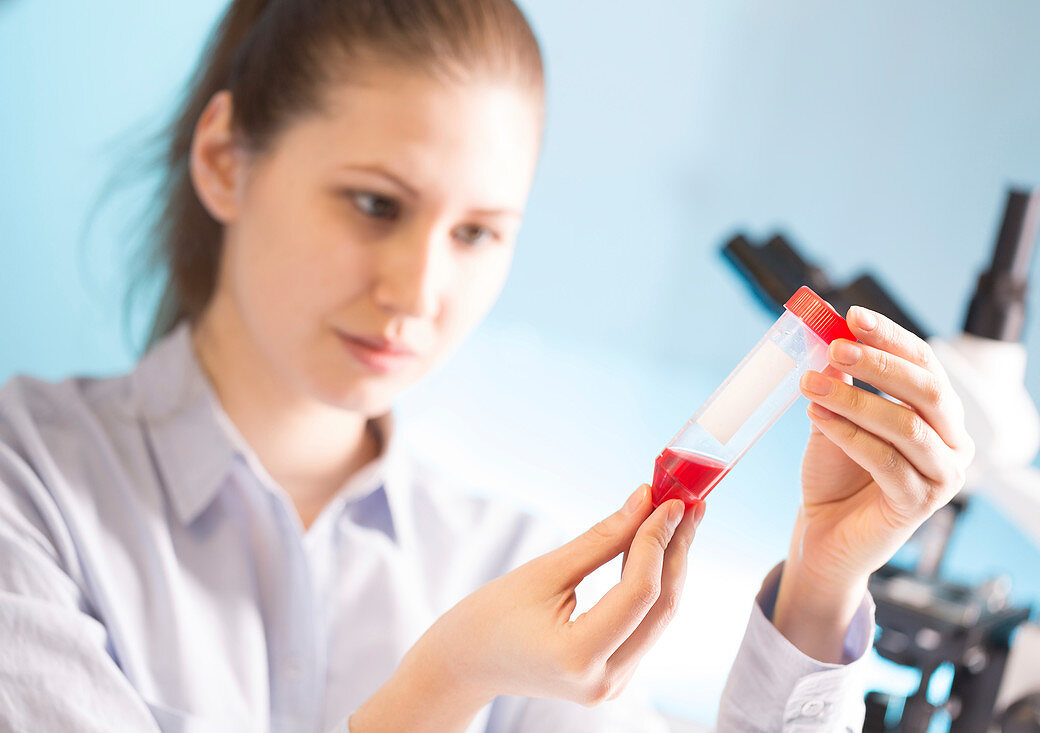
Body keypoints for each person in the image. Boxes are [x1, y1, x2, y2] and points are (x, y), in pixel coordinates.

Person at [0, 1, 975, 731]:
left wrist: (819, 585)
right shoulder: (28, 486)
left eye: (475, 232)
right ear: (223, 160)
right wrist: (443, 686)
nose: (418, 290)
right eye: (374, 204)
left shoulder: (508, 565)